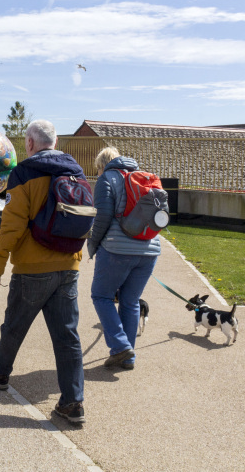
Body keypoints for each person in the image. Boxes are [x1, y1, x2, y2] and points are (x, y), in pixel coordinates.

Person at [0, 120, 86, 424]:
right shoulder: (75, 171)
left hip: (32, 267)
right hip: (68, 265)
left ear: (29, 143)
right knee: (67, 337)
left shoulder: (24, 173)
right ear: (54, 142)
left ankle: (0, 371)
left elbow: (12, 226)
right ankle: (73, 402)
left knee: (15, 324)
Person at [87, 147, 161, 371]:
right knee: (130, 301)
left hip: (117, 250)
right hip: (149, 250)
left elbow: (102, 217)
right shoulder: (145, 178)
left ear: (102, 165)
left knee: (101, 295)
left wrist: (92, 245)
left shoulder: (106, 179)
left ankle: (120, 347)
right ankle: (127, 357)